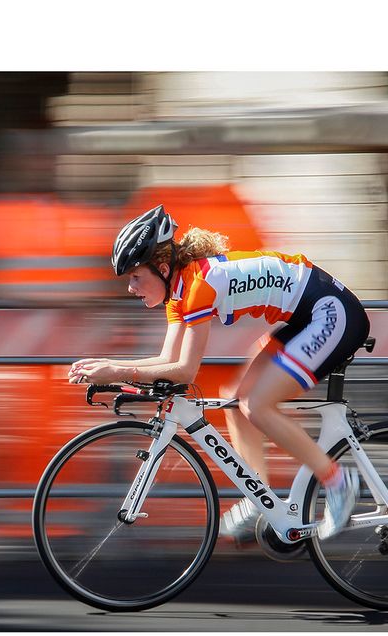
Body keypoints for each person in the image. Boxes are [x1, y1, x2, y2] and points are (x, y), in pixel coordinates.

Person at [68, 205, 370, 543]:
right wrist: (111, 367)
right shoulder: (178, 294)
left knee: (256, 405)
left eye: (136, 277)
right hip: (305, 316)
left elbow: (184, 371)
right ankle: (260, 498)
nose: (130, 288)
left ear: (163, 268)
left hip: (331, 313)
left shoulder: (199, 286)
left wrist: (118, 370)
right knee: (234, 398)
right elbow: (168, 358)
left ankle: (339, 482)